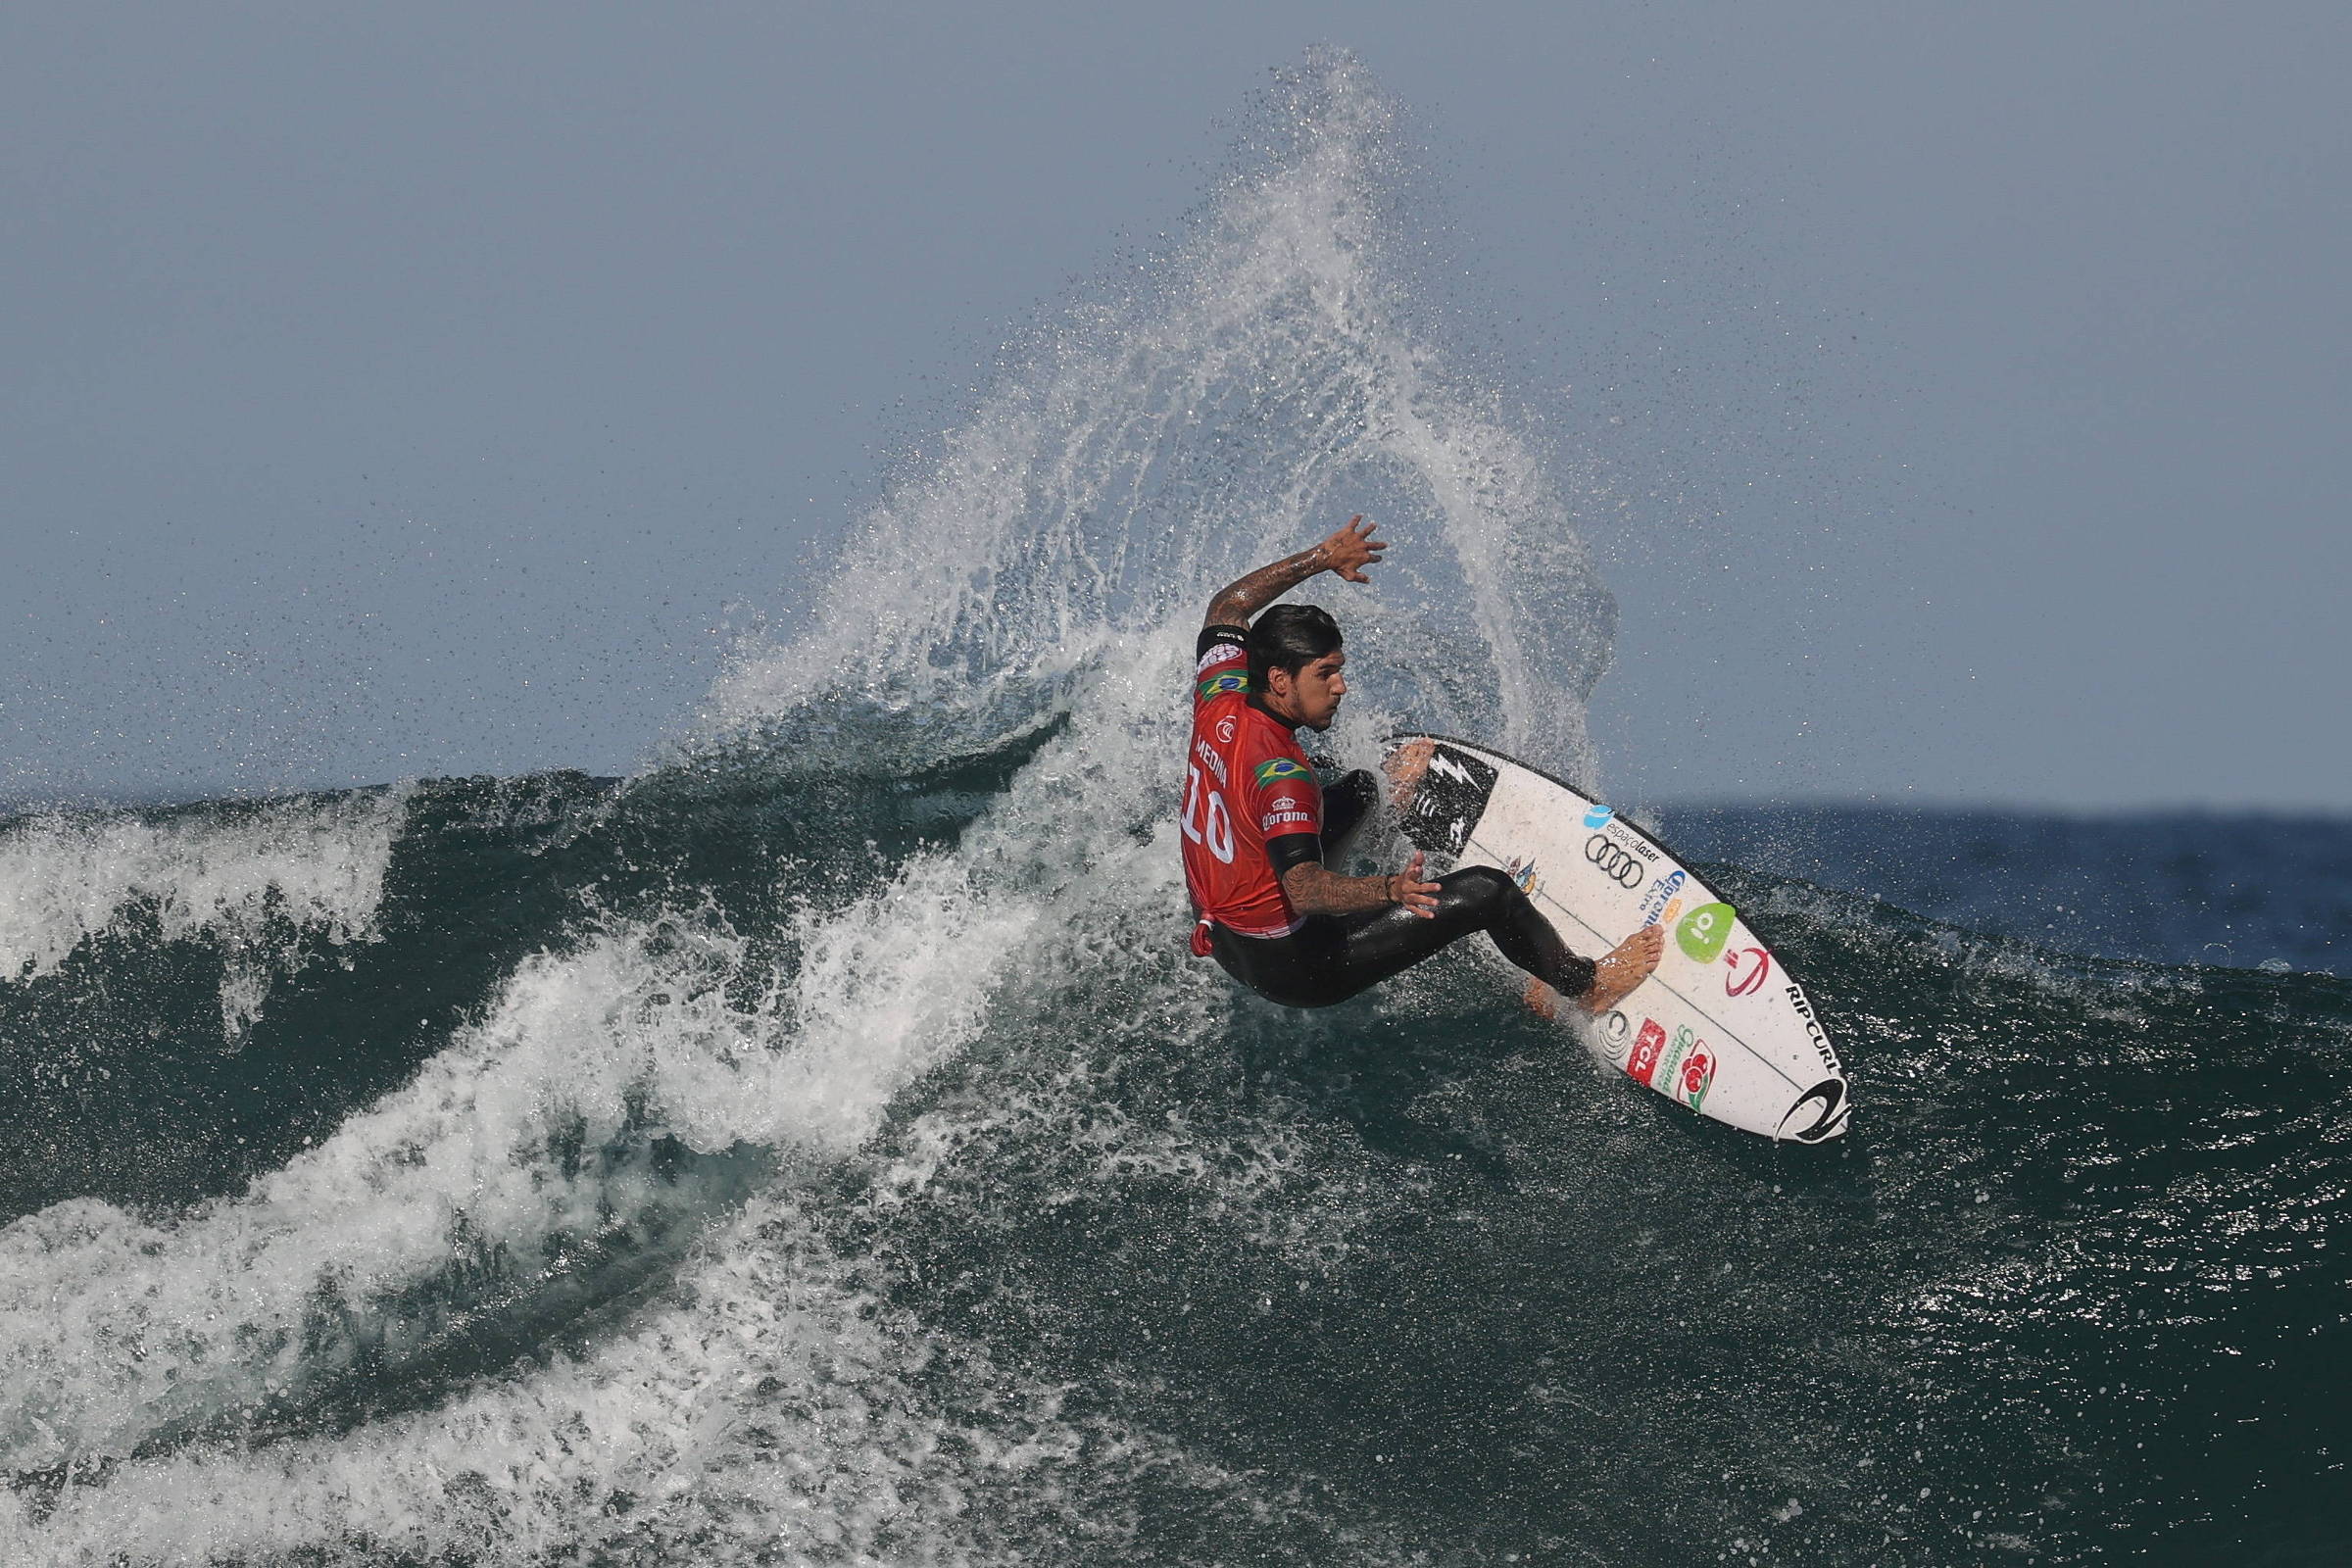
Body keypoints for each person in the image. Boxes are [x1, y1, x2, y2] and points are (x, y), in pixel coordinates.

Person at [1180, 515, 1663, 1013]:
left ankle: (1392, 810)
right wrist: (1393, 890)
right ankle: (1586, 986)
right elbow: (1302, 891)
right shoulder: (1284, 779)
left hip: (1221, 929)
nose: (1340, 687)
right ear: (1280, 679)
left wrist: (1321, 559)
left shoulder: (1220, 693)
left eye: (1339, 670)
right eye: (1324, 674)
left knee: (1365, 789)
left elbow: (1228, 606)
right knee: (1487, 891)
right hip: (1295, 965)